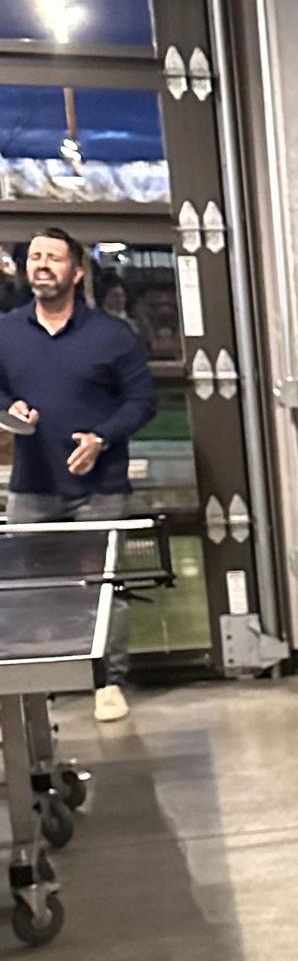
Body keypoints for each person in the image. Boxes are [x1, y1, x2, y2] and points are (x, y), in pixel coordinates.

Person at [0, 226, 157, 721]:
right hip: (32, 485)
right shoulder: (5, 331)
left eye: (54, 257)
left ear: (76, 271)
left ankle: (107, 682)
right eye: (35, 257)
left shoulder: (112, 335)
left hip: (99, 488)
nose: (42, 265)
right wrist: (10, 410)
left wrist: (101, 439)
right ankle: (35, 687)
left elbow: (142, 401)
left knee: (101, 589)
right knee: (26, 590)